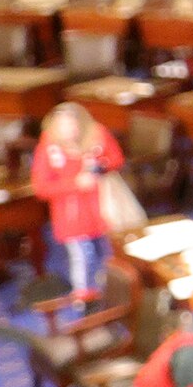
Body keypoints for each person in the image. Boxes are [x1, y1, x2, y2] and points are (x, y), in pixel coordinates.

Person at [29, 102, 126, 305]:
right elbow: (41, 188)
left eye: (73, 125)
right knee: (83, 259)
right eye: (63, 126)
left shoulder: (97, 134)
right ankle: (85, 301)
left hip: (103, 211)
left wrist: (99, 168)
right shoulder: (48, 148)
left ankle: (113, 296)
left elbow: (116, 159)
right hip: (72, 217)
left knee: (110, 256)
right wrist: (74, 184)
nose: (69, 131)